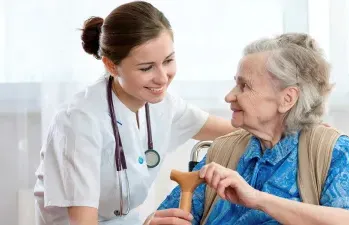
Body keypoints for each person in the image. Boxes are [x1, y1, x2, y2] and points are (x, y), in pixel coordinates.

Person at [33, 1, 235, 225]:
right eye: (146, 68)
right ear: (111, 66)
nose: (162, 77)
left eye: (168, 61)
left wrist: (274, 112)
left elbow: (233, 130)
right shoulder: (79, 122)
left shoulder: (162, 104)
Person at [156, 33, 349, 225]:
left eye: (244, 86)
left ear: (287, 99)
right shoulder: (224, 152)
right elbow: (170, 216)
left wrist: (257, 199)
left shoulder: (336, 152)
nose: (229, 96)